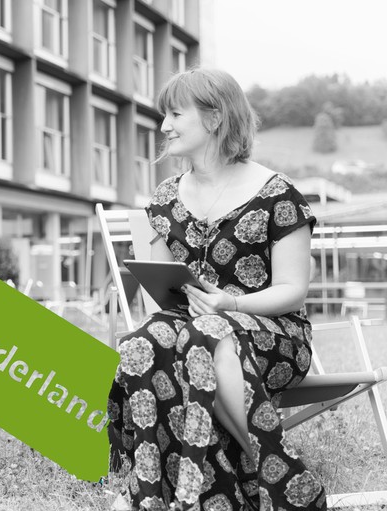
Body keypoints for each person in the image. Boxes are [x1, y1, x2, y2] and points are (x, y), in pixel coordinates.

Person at [106, 69, 326, 510]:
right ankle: (148, 493)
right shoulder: (165, 198)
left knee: (206, 333)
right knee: (141, 342)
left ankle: (278, 476)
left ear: (214, 118)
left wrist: (231, 303)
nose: (164, 126)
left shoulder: (277, 194)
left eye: (175, 114)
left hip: (273, 334)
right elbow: (165, 291)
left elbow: (293, 289)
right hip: (193, 330)